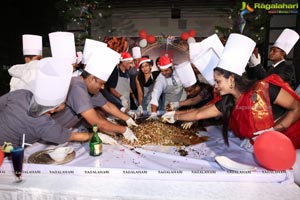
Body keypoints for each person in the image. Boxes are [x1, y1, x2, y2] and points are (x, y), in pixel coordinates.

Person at [162, 33, 300, 150]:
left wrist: (275, 130)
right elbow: (199, 113)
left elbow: (296, 108)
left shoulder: (264, 89)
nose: (215, 87)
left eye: (218, 82)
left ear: (231, 80)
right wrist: (174, 115)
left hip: (291, 141)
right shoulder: (228, 101)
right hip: (266, 148)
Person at [51, 44, 138, 143]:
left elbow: (107, 106)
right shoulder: (76, 87)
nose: (102, 87)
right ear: (92, 78)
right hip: (50, 134)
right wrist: (124, 130)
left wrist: (127, 119)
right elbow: (96, 122)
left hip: (63, 131)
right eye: (101, 84)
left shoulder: (88, 88)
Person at [0, 57, 92, 147]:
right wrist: (94, 136)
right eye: (63, 102)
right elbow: (72, 136)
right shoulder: (45, 125)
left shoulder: (22, 93)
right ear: (52, 110)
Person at [146, 56, 186, 120]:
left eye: (166, 70)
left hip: (183, 100)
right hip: (169, 103)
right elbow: (155, 94)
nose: (164, 73)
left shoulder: (180, 71)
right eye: (162, 71)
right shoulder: (160, 78)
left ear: (172, 67)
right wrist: (153, 113)